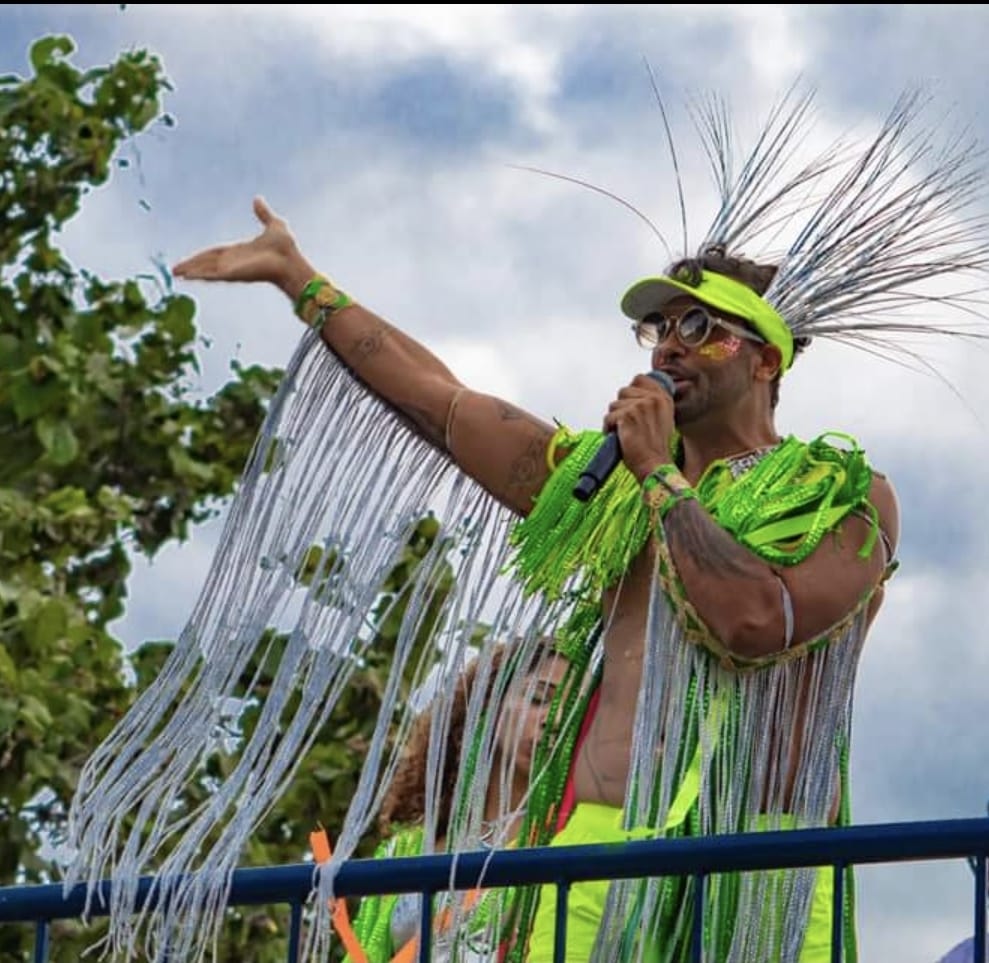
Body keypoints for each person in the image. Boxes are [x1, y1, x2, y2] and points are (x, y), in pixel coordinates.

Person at [66, 88, 987, 963]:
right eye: (656, 328)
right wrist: (303, 282)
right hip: (587, 855)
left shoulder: (839, 494)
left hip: (752, 867)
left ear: (764, 358)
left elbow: (755, 624)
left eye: (698, 325)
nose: (666, 344)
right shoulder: (612, 483)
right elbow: (444, 404)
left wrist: (663, 478)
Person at [347, 639, 571, 963]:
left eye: (573, 711)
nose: (555, 718)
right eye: (539, 698)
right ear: (489, 704)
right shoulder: (407, 849)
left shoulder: (564, 842)